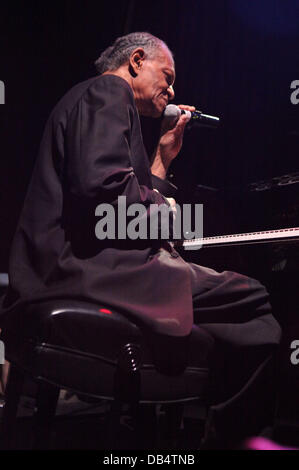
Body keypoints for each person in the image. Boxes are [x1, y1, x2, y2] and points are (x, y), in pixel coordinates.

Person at [0, 32, 281, 448]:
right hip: (86, 270)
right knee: (254, 301)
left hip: (89, 264)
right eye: (166, 78)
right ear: (135, 61)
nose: (172, 91)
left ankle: (163, 429)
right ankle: (228, 439)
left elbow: (117, 194)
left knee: (243, 320)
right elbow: (105, 192)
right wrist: (168, 214)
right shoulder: (109, 92)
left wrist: (162, 157)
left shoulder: (99, 103)